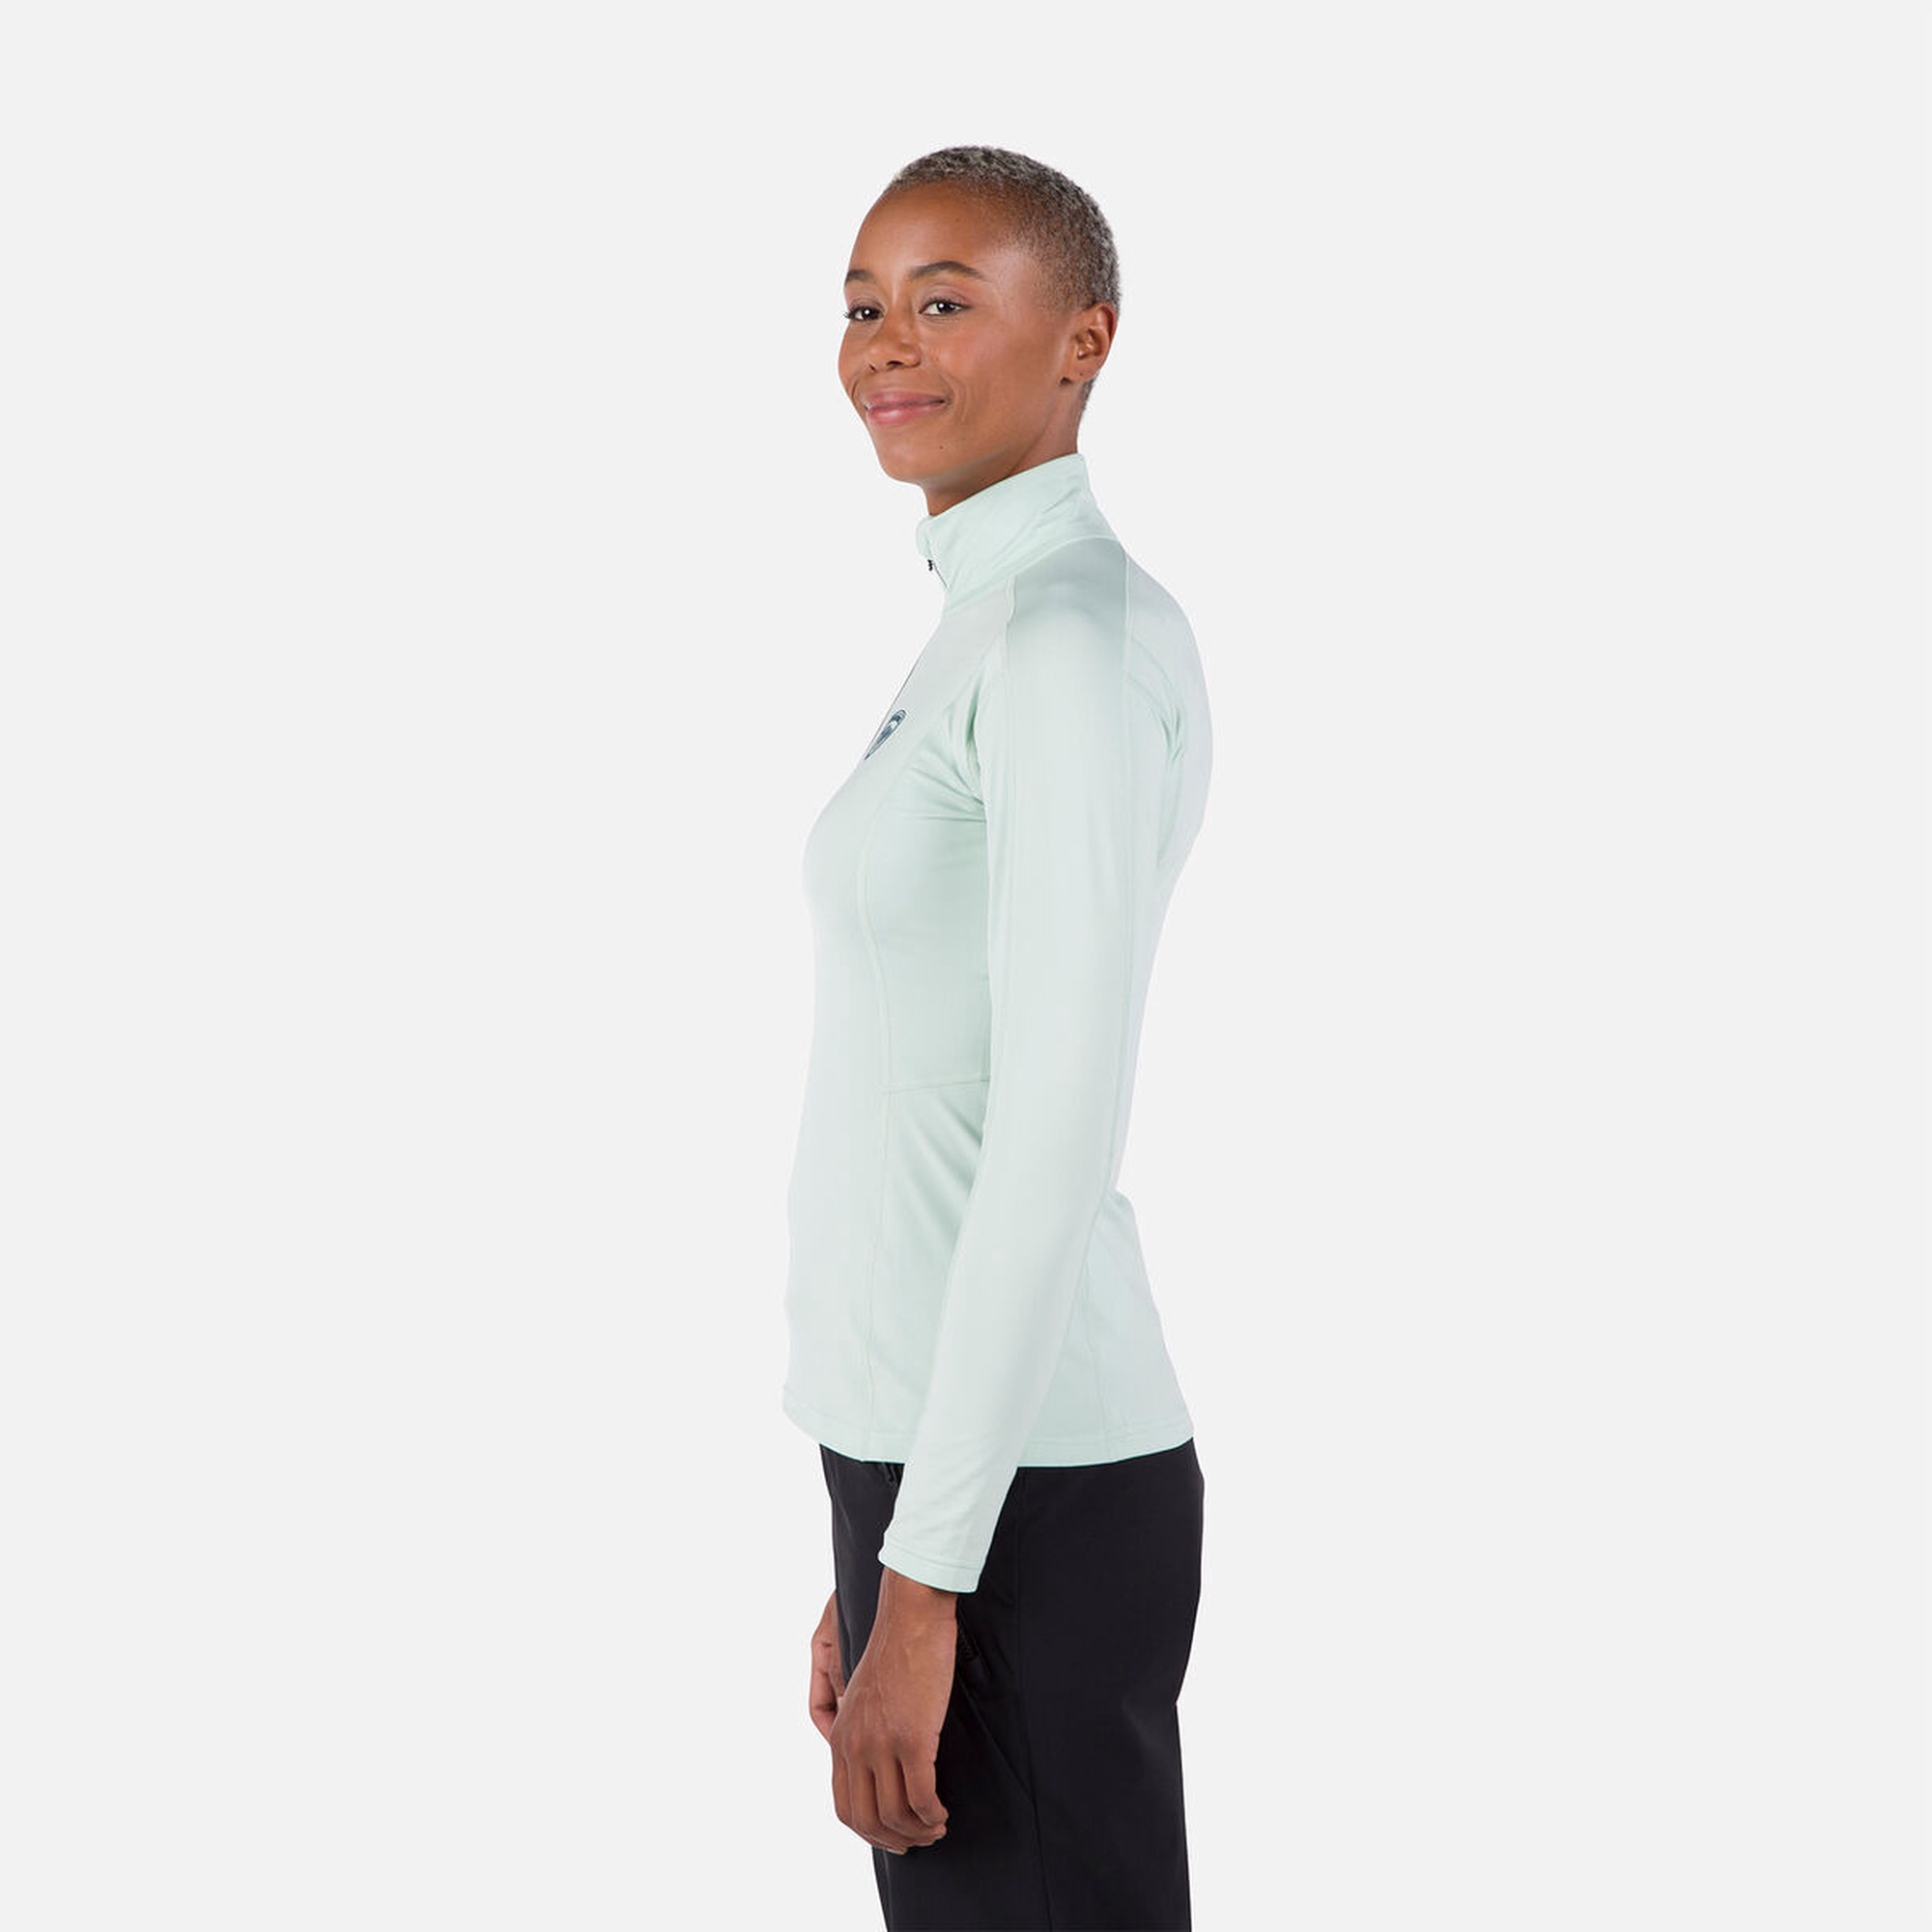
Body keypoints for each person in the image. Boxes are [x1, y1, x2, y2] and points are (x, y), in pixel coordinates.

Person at [782, 144, 1212, 1932]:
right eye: (864, 305)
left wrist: (931, 1577)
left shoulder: (1060, 645)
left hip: (1022, 1497)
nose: (887, 343)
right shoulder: (987, 628)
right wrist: (885, 1546)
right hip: (949, 1485)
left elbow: (1050, 1127)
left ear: (1083, 339)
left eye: (946, 300)